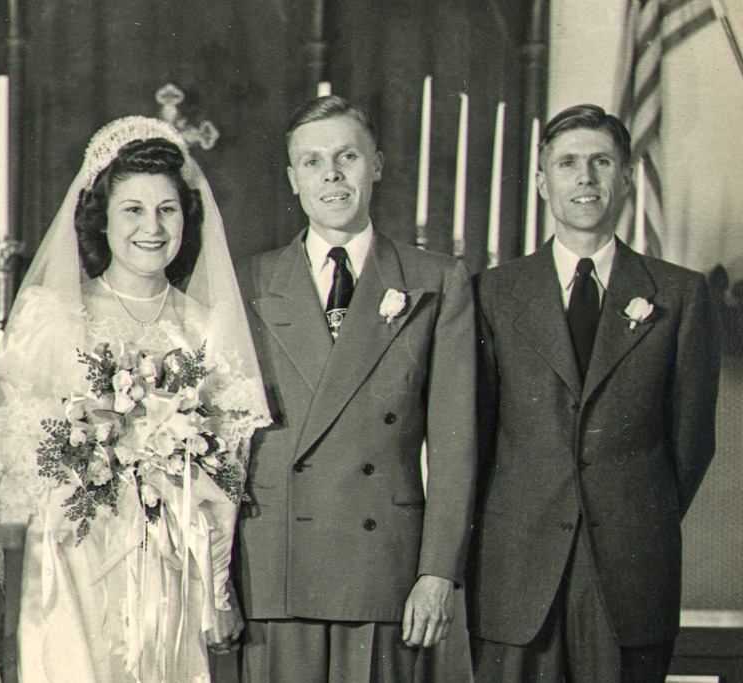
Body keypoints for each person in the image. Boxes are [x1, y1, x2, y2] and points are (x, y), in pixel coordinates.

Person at [0, 117, 270, 682]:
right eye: (133, 209)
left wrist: (215, 583)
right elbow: (11, 468)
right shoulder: (52, 316)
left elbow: (229, 471)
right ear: (101, 218)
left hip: (170, 561)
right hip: (71, 558)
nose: (152, 227)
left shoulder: (206, 329)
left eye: (167, 209)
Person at [467, 104, 721, 681]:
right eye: (568, 163)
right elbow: (474, 440)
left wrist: (632, 512)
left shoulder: (679, 296)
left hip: (630, 574)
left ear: (626, 177)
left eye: (601, 162)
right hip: (516, 572)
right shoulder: (492, 294)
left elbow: (690, 445)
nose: (585, 177)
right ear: (541, 181)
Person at [234, 95, 477, 682]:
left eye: (348, 157)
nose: (332, 175)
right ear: (294, 179)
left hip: (386, 574)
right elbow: (223, 449)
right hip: (276, 567)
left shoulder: (435, 280)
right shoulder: (250, 281)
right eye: (313, 162)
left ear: (379, 165)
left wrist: (438, 572)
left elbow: (456, 444)